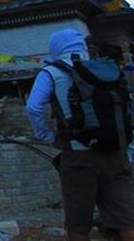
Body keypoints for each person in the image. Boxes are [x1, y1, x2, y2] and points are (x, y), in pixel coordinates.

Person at [26, 28, 134, 241]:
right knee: (125, 219)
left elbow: (33, 107)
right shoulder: (108, 69)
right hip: (115, 152)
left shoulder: (51, 72)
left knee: (78, 224)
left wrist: (45, 135)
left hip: (78, 155)